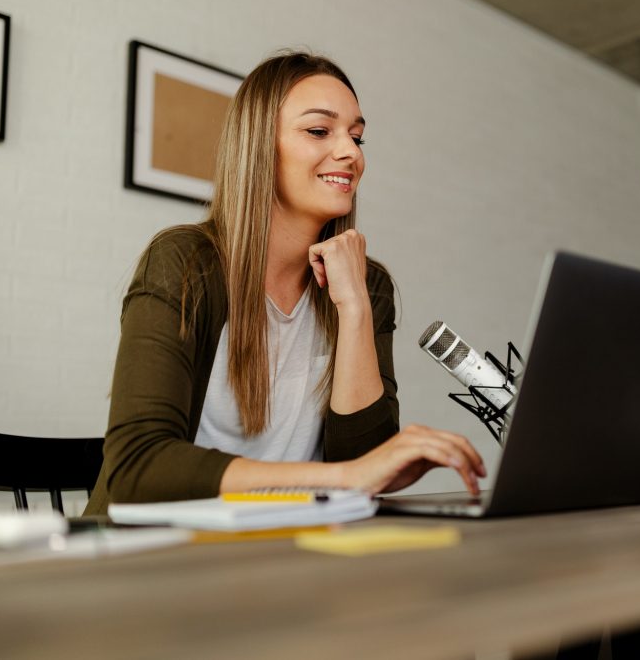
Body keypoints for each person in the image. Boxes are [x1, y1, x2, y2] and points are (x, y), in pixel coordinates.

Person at [84, 52, 485, 515]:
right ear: (259, 147)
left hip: (289, 550)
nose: (351, 153)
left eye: (357, 137)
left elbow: (366, 468)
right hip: (162, 556)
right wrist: (345, 478)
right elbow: (139, 468)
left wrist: (353, 309)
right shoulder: (185, 263)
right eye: (319, 131)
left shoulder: (366, 284)